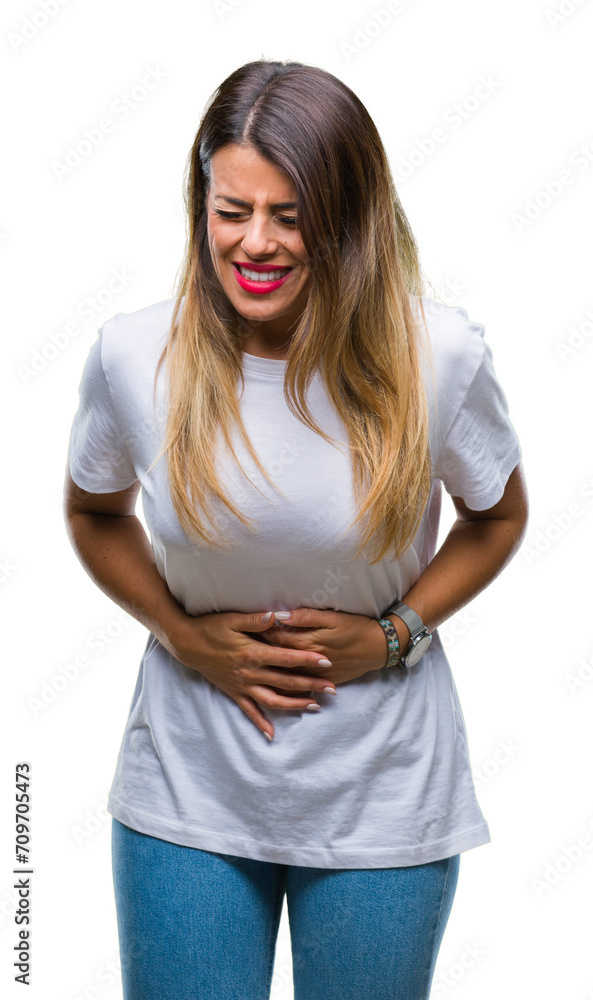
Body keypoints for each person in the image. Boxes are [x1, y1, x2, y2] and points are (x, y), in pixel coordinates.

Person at [63, 58, 529, 1000]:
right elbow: (90, 509)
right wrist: (181, 632)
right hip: (189, 791)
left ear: (350, 212)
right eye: (231, 210)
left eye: (289, 213)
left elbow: (499, 515)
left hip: (383, 787)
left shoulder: (436, 357)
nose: (255, 244)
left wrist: (393, 634)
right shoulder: (133, 355)